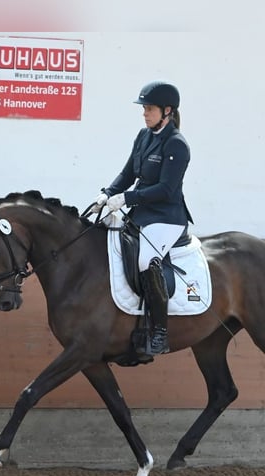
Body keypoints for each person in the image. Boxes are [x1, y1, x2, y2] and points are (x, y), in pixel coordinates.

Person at [92, 80, 193, 355]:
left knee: (146, 260)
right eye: (144, 108)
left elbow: (165, 189)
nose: (145, 113)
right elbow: (127, 174)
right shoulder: (143, 136)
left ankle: (159, 332)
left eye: (149, 108)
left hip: (166, 217)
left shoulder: (177, 145)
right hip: (142, 213)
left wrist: (127, 198)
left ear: (167, 111)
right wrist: (108, 194)